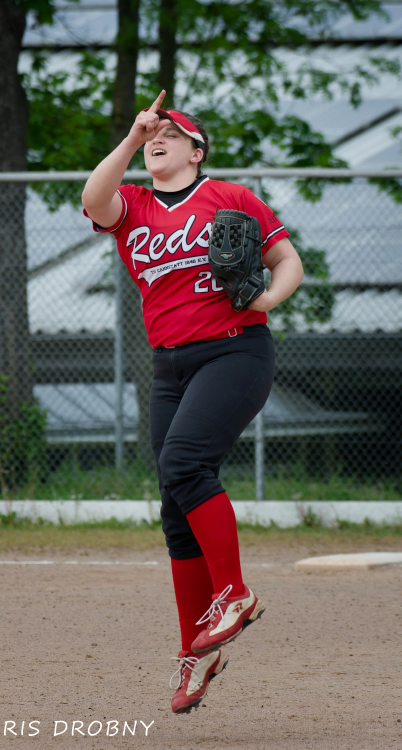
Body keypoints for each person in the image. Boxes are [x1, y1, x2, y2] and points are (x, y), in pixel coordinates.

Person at [82, 90, 304, 714]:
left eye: (172, 134)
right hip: (169, 365)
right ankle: (196, 655)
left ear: (197, 151)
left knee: (184, 462)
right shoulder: (133, 206)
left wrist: (267, 300)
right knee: (175, 507)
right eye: (153, 136)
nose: (158, 139)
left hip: (235, 351)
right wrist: (131, 137)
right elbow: (93, 198)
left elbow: (287, 260)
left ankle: (233, 594)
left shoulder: (230, 197)